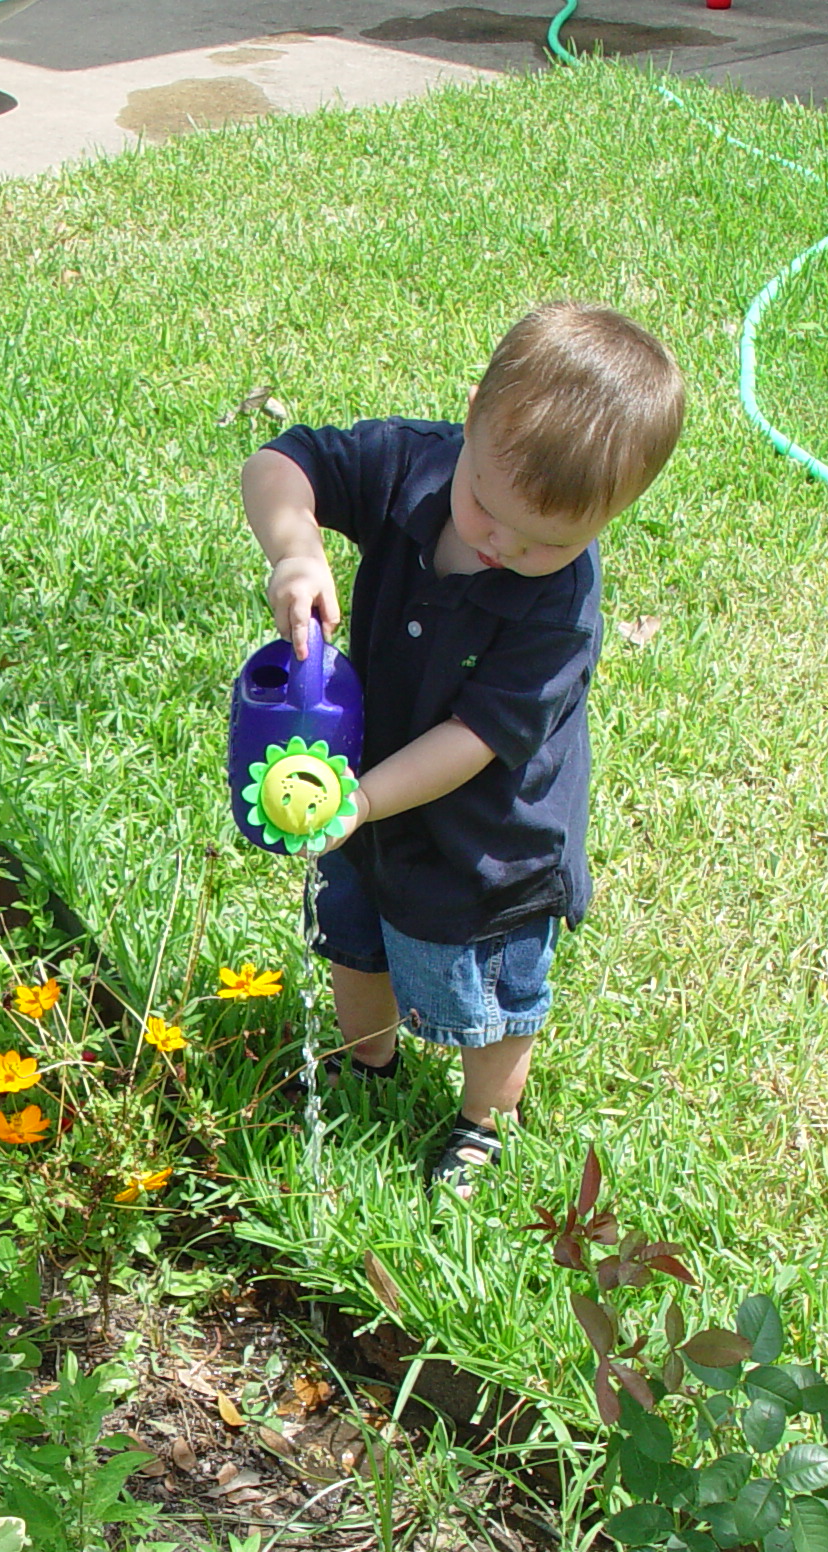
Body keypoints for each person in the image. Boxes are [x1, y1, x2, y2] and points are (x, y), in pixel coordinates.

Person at [240, 302, 684, 1195]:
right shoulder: (415, 463)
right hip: (365, 790)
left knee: (490, 1001)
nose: (501, 547)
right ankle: (369, 1063)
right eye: (485, 506)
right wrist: (295, 552)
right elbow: (280, 463)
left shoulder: (558, 612)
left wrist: (358, 801)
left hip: (490, 842)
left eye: (550, 542)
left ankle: (487, 1119)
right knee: (354, 942)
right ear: (473, 412)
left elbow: (473, 741)